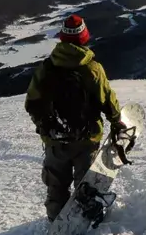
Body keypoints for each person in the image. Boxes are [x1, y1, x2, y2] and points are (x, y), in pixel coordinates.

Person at [25, 14, 124, 222]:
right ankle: (89, 216)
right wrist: (117, 120)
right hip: (86, 139)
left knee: (56, 184)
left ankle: (55, 218)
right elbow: (107, 99)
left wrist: (44, 126)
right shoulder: (92, 69)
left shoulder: (46, 69)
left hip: (55, 140)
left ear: (62, 37)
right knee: (86, 182)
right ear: (84, 37)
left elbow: (32, 103)